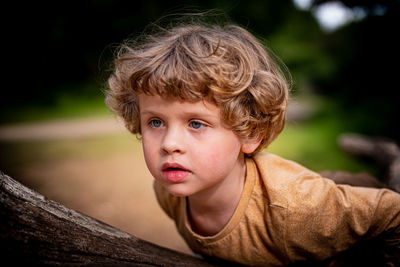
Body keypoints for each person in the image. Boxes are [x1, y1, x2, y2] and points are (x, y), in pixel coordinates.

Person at [105, 17, 400, 266]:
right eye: (156, 122)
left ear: (250, 134)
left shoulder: (299, 210)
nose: (169, 144)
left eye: (196, 123)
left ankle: (390, 159)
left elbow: (393, 214)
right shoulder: (170, 190)